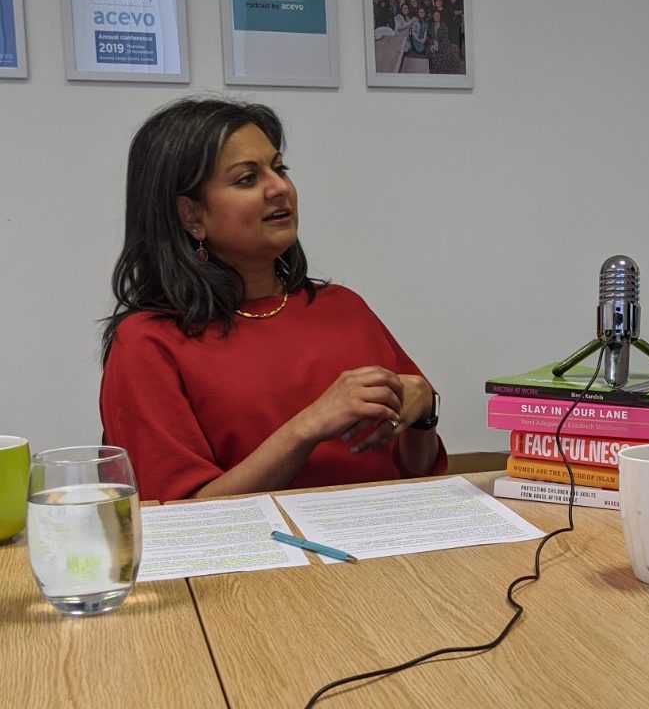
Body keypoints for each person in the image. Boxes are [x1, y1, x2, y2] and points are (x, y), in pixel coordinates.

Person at [100, 99, 446, 502]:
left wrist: (423, 414)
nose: (280, 187)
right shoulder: (147, 343)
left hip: (393, 545)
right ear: (191, 216)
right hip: (255, 562)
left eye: (278, 169)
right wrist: (306, 428)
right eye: (247, 179)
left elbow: (417, 474)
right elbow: (182, 518)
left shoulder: (344, 307)